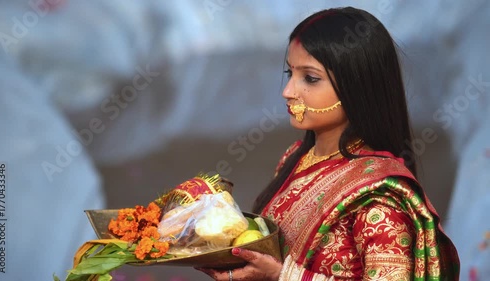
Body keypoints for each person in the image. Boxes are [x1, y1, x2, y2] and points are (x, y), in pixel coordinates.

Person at [197, 7, 460, 281]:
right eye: (291, 73)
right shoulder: (294, 158)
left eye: (310, 78)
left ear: (355, 86)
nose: (287, 92)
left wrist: (281, 276)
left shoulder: (379, 199)